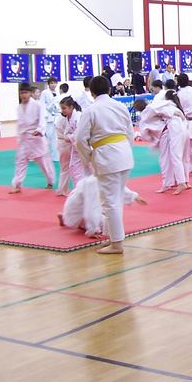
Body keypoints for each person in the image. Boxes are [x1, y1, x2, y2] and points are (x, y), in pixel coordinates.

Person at [75, 76, 136, 254]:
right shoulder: (120, 106)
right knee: (115, 199)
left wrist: (89, 156)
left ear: (92, 92)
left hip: (106, 156)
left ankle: (117, 243)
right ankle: (112, 237)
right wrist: (125, 150)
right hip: (124, 153)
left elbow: (80, 139)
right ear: (109, 90)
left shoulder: (91, 110)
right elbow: (130, 132)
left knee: (110, 201)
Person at [58, 175, 145, 238]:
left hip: (74, 209)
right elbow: (91, 208)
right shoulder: (93, 184)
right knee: (107, 225)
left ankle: (66, 217)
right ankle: (69, 219)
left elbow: (116, 186)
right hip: (79, 211)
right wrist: (93, 230)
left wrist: (134, 196)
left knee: (107, 213)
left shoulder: (101, 177)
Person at [9, 83, 55, 193]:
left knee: (44, 163)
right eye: (21, 93)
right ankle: (17, 185)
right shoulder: (19, 107)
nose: (23, 95)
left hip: (36, 138)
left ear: (30, 93)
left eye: (25, 92)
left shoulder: (38, 105)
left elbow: (42, 120)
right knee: (20, 161)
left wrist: (39, 130)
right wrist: (19, 138)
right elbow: (19, 125)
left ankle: (50, 181)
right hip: (24, 139)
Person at [55, 96, 88, 196]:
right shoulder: (66, 118)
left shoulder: (78, 116)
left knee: (90, 168)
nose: (62, 111)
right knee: (73, 168)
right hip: (75, 146)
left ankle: (87, 190)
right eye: (61, 108)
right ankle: (80, 191)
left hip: (83, 145)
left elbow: (80, 132)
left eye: (64, 108)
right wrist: (68, 137)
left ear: (71, 107)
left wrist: (69, 138)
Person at [41, 77, 60, 162]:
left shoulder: (57, 93)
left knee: (54, 137)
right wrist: (47, 111)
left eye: (54, 83)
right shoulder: (45, 92)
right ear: (48, 84)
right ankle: (43, 155)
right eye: (51, 83)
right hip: (47, 117)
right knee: (48, 136)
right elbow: (42, 105)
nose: (53, 85)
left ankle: (55, 156)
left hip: (55, 117)